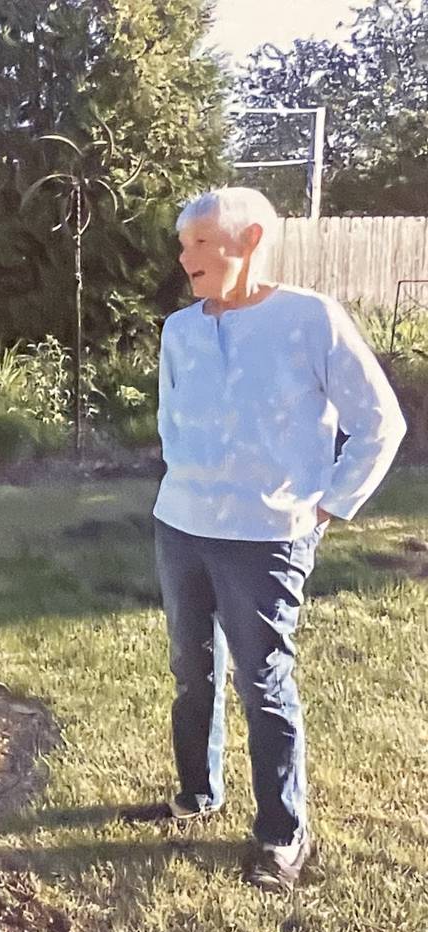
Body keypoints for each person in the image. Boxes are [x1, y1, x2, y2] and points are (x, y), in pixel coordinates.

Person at [147, 186, 406, 891]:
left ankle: (282, 835)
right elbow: (173, 421)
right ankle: (197, 793)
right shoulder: (181, 329)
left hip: (267, 536)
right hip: (181, 524)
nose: (185, 256)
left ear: (250, 240)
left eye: (201, 242)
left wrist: (326, 507)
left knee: (261, 682)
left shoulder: (311, 319)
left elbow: (380, 423)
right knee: (190, 668)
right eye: (183, 243)